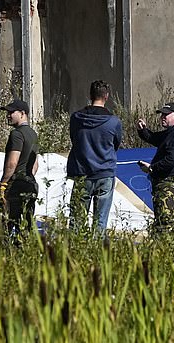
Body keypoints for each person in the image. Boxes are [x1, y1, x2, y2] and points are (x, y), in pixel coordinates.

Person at [67, 80, 122, 234]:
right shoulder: (113, 122)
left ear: (90, 95)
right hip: (104, 173)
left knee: (76, 222)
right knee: (100, 222)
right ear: (107, 96)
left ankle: (75, 253)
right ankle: (98, 254)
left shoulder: (76, 118)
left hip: (82, 172)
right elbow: (115, 144)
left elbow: (74, 139)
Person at [136, 102, 174, 234]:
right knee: (172, 225)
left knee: (165, 225)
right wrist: (142, 130)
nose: (162, 117)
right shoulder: (172, 133)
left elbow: (172, 160)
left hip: (170, 185)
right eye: (162, 114)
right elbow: (153, 138)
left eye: (166, 114)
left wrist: (152, 168)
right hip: (168, 184)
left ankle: (164, 251)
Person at [0, 99, 39, 236]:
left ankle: (5, 255)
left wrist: (4, 183)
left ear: (22, 113)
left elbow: (12, 163)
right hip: (30, 184)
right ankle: (25, 253)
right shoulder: (33, 134)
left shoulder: (16, 134)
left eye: (11, 112)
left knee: (6, 226)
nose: (8, 115)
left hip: (16, 186)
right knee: (26, 227)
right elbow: (35, 165)